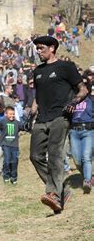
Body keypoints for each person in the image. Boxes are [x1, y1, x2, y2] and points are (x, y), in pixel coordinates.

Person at [29, 36, 88, 214]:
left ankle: (53, 193)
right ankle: (61, 190)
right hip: (41, 119)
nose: (38, 51)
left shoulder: (66, 67)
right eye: (37, 49)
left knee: (54, 154)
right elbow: (38, 96)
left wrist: (74, 102)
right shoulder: (37, 71)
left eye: (41, 48)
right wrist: (31, 112)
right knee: (35, 155)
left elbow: (83, 89)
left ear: (52, 47)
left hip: (61, 116)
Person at [0, 106, 23, 184]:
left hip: (14, 145)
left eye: (13, 114)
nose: (12, 116)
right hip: (5, 144)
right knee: (7, 161)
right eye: (10, 114)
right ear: (6, 114)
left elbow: (23, 127)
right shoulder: (3, 121)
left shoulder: (17, 122)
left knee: (14, 161)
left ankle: (14, 177)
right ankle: (6, 176)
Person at [69, 82, 93, 194]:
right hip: (74, 132)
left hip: (88, 131)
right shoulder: (72, 101)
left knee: (86, 156)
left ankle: (87, 181)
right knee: (77, 160)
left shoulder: (91, 101)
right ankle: (87, 175)